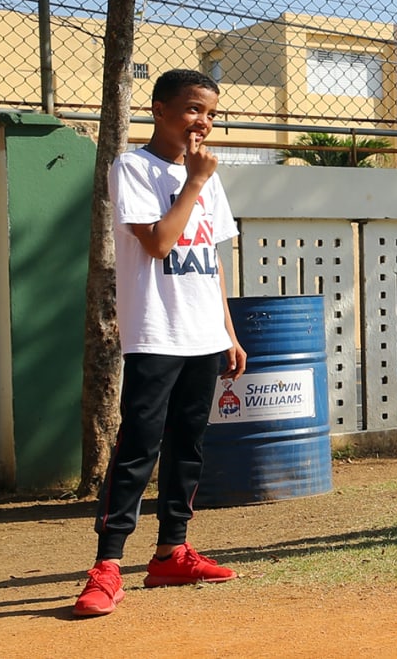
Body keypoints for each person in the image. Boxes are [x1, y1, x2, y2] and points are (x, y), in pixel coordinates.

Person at [74, 69, 248, 618]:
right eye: (195, 109)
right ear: (159, 109)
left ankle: (172, 550)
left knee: (187, 446)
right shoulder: (132, 168)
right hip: (156, 331)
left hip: (202, 331)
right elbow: (156, 244)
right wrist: (193, 182)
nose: (205, 122)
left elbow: (211, 259)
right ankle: (106, 566)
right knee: (138, 447)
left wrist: (228, 329)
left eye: (213, 113)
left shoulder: (208, 176)